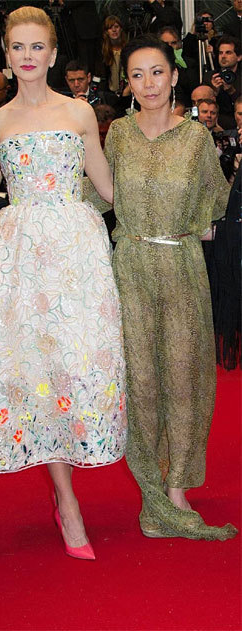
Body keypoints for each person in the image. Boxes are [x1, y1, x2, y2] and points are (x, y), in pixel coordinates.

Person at [0, 6, 127, 561]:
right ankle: (68, 501)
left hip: (78, 256)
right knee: (33, 366)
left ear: (53, 55)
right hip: (17, 258)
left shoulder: (80, 111)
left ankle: (72, 487)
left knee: (78, 363)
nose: (28, 56)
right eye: (18, 48)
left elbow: (109, 189)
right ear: (7, 58)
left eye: (38, 47)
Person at [103, 35, 237, 540]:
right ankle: (150, 490)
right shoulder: (117, 133)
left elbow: (217, 203)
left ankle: (177, 488)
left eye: (157, 72)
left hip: (182, 267)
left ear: (175, 76)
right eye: (137, 75)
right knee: (139, 379)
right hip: (131, 267)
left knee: (184, 379)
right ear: (127, 84)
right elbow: (96, 193)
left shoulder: (196, 138)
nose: (148, 84)